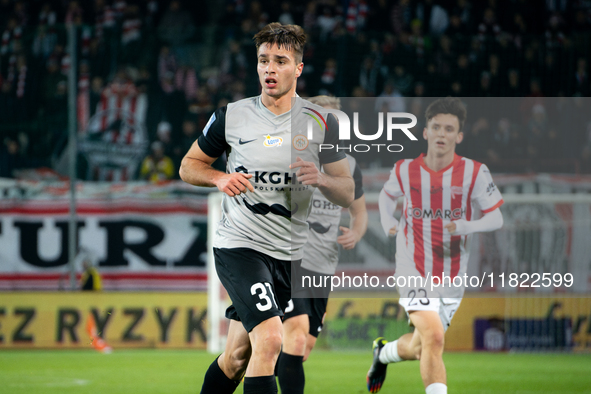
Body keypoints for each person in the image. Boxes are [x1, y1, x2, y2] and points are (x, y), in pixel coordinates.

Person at [179, 23, 354, 394]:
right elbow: (188, 165)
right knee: (272, 339)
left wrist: (322, 179)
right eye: (263, 61)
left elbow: (346, 189)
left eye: (280, 61)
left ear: (299, 68)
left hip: (290, 255)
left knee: (237, 357)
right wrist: (218, 179)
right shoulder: (232, 116)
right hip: (240, 246)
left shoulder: (321, 123)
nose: (270, 69)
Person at [367, 97, 504, 394]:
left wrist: (470, 225)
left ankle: (383, 353)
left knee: (421, 345)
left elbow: (496, 217)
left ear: (459, 136)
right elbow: (386, 196)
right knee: (435, 338)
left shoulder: (475, 172)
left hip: (453, 276)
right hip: (412, 267)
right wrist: (386, 220)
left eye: (449, 129)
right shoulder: (405, 169)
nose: (442, 134)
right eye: (436, 127)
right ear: (426, 132)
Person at [277, 96, 368, 394]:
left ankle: (258, 365)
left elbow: (360, 211)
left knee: (304, 346)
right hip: (290, 261)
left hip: (323, 266)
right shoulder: (291, 156)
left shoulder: (349, 166)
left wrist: (356, 232)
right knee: (297, 336)